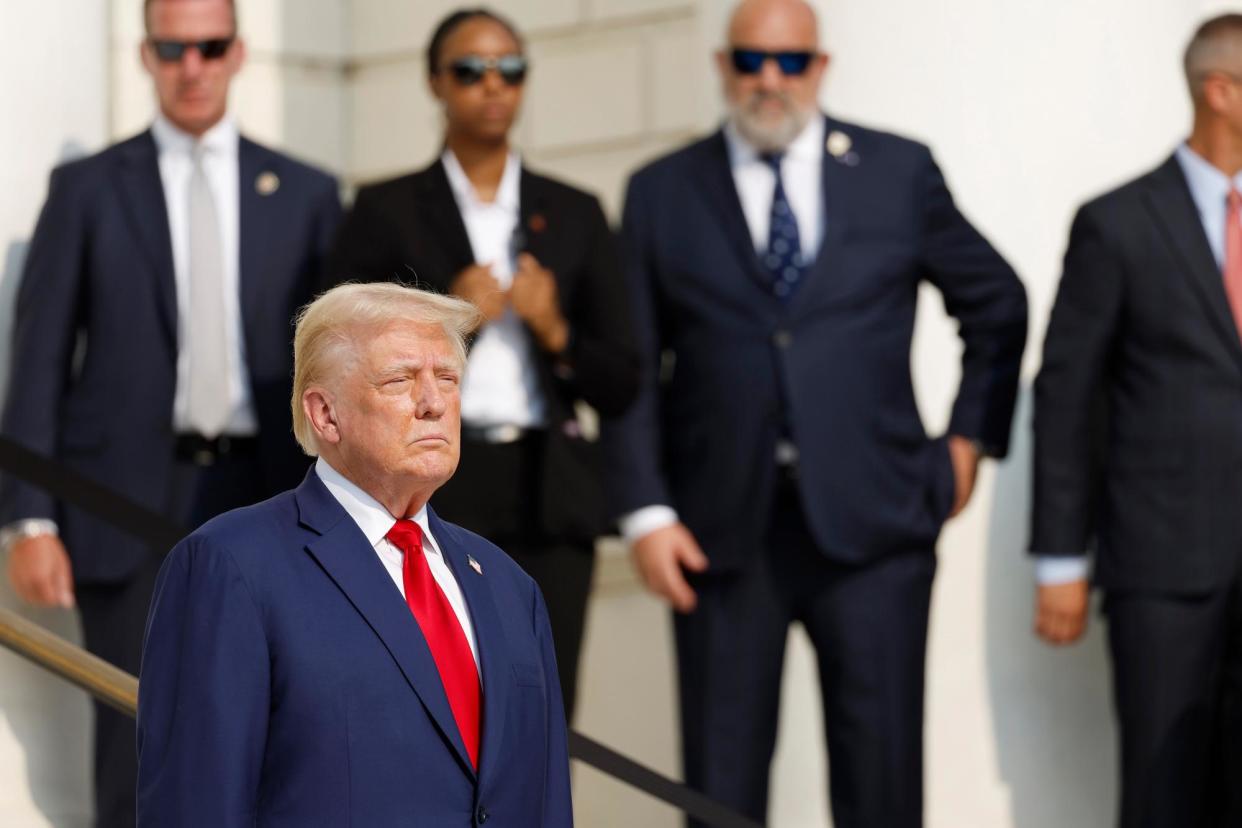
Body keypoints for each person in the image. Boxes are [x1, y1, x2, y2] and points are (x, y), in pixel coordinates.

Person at [603, 0, 1027, 824]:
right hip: (719, 535)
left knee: (881, 781)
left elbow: (998, 303)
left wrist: (969, 439)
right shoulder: (661, 190)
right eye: (752, 60)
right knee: (720, 790)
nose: (770, 80)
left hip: (877, 527)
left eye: (791, 61)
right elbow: (632, 367)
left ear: (821, 67)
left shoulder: (897, 172)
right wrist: (646, 511)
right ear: (723, 66)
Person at [0, 0, 340, 823]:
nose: (193, 65)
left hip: (271, 499)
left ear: (238, 52)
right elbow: (40, 358)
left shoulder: (306, 192)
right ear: (147, 55)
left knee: (278, 735)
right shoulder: (85, 190)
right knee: (135, 739)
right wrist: (29, 521)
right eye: (172, 47)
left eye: (210, 46)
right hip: (120, 505)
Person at [136, 282, 572, 826]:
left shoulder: (510, 587)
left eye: (448, 379)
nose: (434, 402)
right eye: (400, 380)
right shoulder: (231, 566)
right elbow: (196, 807)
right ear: (325, 415)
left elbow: (546, 801)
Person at [327, 7, 637, 721]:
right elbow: (337, 353)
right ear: (436, 82)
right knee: (427, 703)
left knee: (544, 709)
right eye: (470, 70)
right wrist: (444, 311)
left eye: (510, 69)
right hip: (430, 486)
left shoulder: (576, 211)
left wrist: (556, 327)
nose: (492, 86)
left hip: (549, 491)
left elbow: (621, 379)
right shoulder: (385, 210)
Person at [1031, 14, 1242, 827]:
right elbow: (1067, 392)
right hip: (1164, 566)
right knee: (1164, 788)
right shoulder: (1117, 222)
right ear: (1219, 92)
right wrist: (1060, 558)